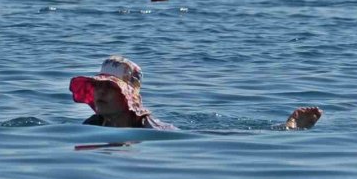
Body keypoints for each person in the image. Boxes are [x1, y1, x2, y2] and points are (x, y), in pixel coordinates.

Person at [70, 55, 322, 130]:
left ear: (127, 96)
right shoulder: (93, 125)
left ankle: (288, 128)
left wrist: (283, 129)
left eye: (109, 87)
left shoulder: (150, 128)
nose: (100, 92)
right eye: (98, 85)